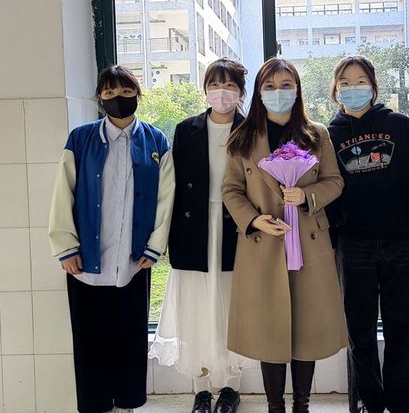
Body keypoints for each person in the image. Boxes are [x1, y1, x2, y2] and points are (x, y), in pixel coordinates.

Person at [221, 57, 347, 413]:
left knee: (308, 327)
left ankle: (301, 406)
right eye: (270, 86)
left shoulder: (316, 133)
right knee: (269, 329)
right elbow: (231, 189)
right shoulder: (243, 137)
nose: (279, 92)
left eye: (286, 85)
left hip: (308, 243)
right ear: (259, 93)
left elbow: (335, 182)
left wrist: (306, 196)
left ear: (297, 90)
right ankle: (275, 407)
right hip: (263, 244)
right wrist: (254, 220)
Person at [48, 65, 175, 413]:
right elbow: (63, 194)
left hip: (134, 261)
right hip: (86, 260)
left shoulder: (156, 141)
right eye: (110, 93)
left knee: (131, 339)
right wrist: (66, 247)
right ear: (100, 98)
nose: (118, 98)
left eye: (126, 92)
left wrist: (155, 246)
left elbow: (166, 198)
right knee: (90, 341)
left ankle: (128, 403)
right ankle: (96, 405)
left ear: (137, 95)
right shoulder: (80, 139)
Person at [326, 55, 409, 413]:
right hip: (352, 244)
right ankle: (367, 402)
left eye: (360, 81)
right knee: (359, 332)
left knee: (403, 328)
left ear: (373, 86)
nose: (352, 88)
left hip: (402, 241)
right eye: (345, 82)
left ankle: (403, 403)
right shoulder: (328, 135)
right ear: (335, 90)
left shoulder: (399, 126)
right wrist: (331, 244)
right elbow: (328, 193)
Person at [148, 58, 254, 413]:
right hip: (193, 228)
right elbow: (174, 186)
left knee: (233, 307)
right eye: (214, 84)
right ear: (205, 89)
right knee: (195, 307)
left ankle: (231, 387)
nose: (221, 92)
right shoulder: (186, 129)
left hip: (236, 224)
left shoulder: (252, 129)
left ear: (241, 91)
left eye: (230, 85)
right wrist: (166, 237)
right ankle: (201, 389)